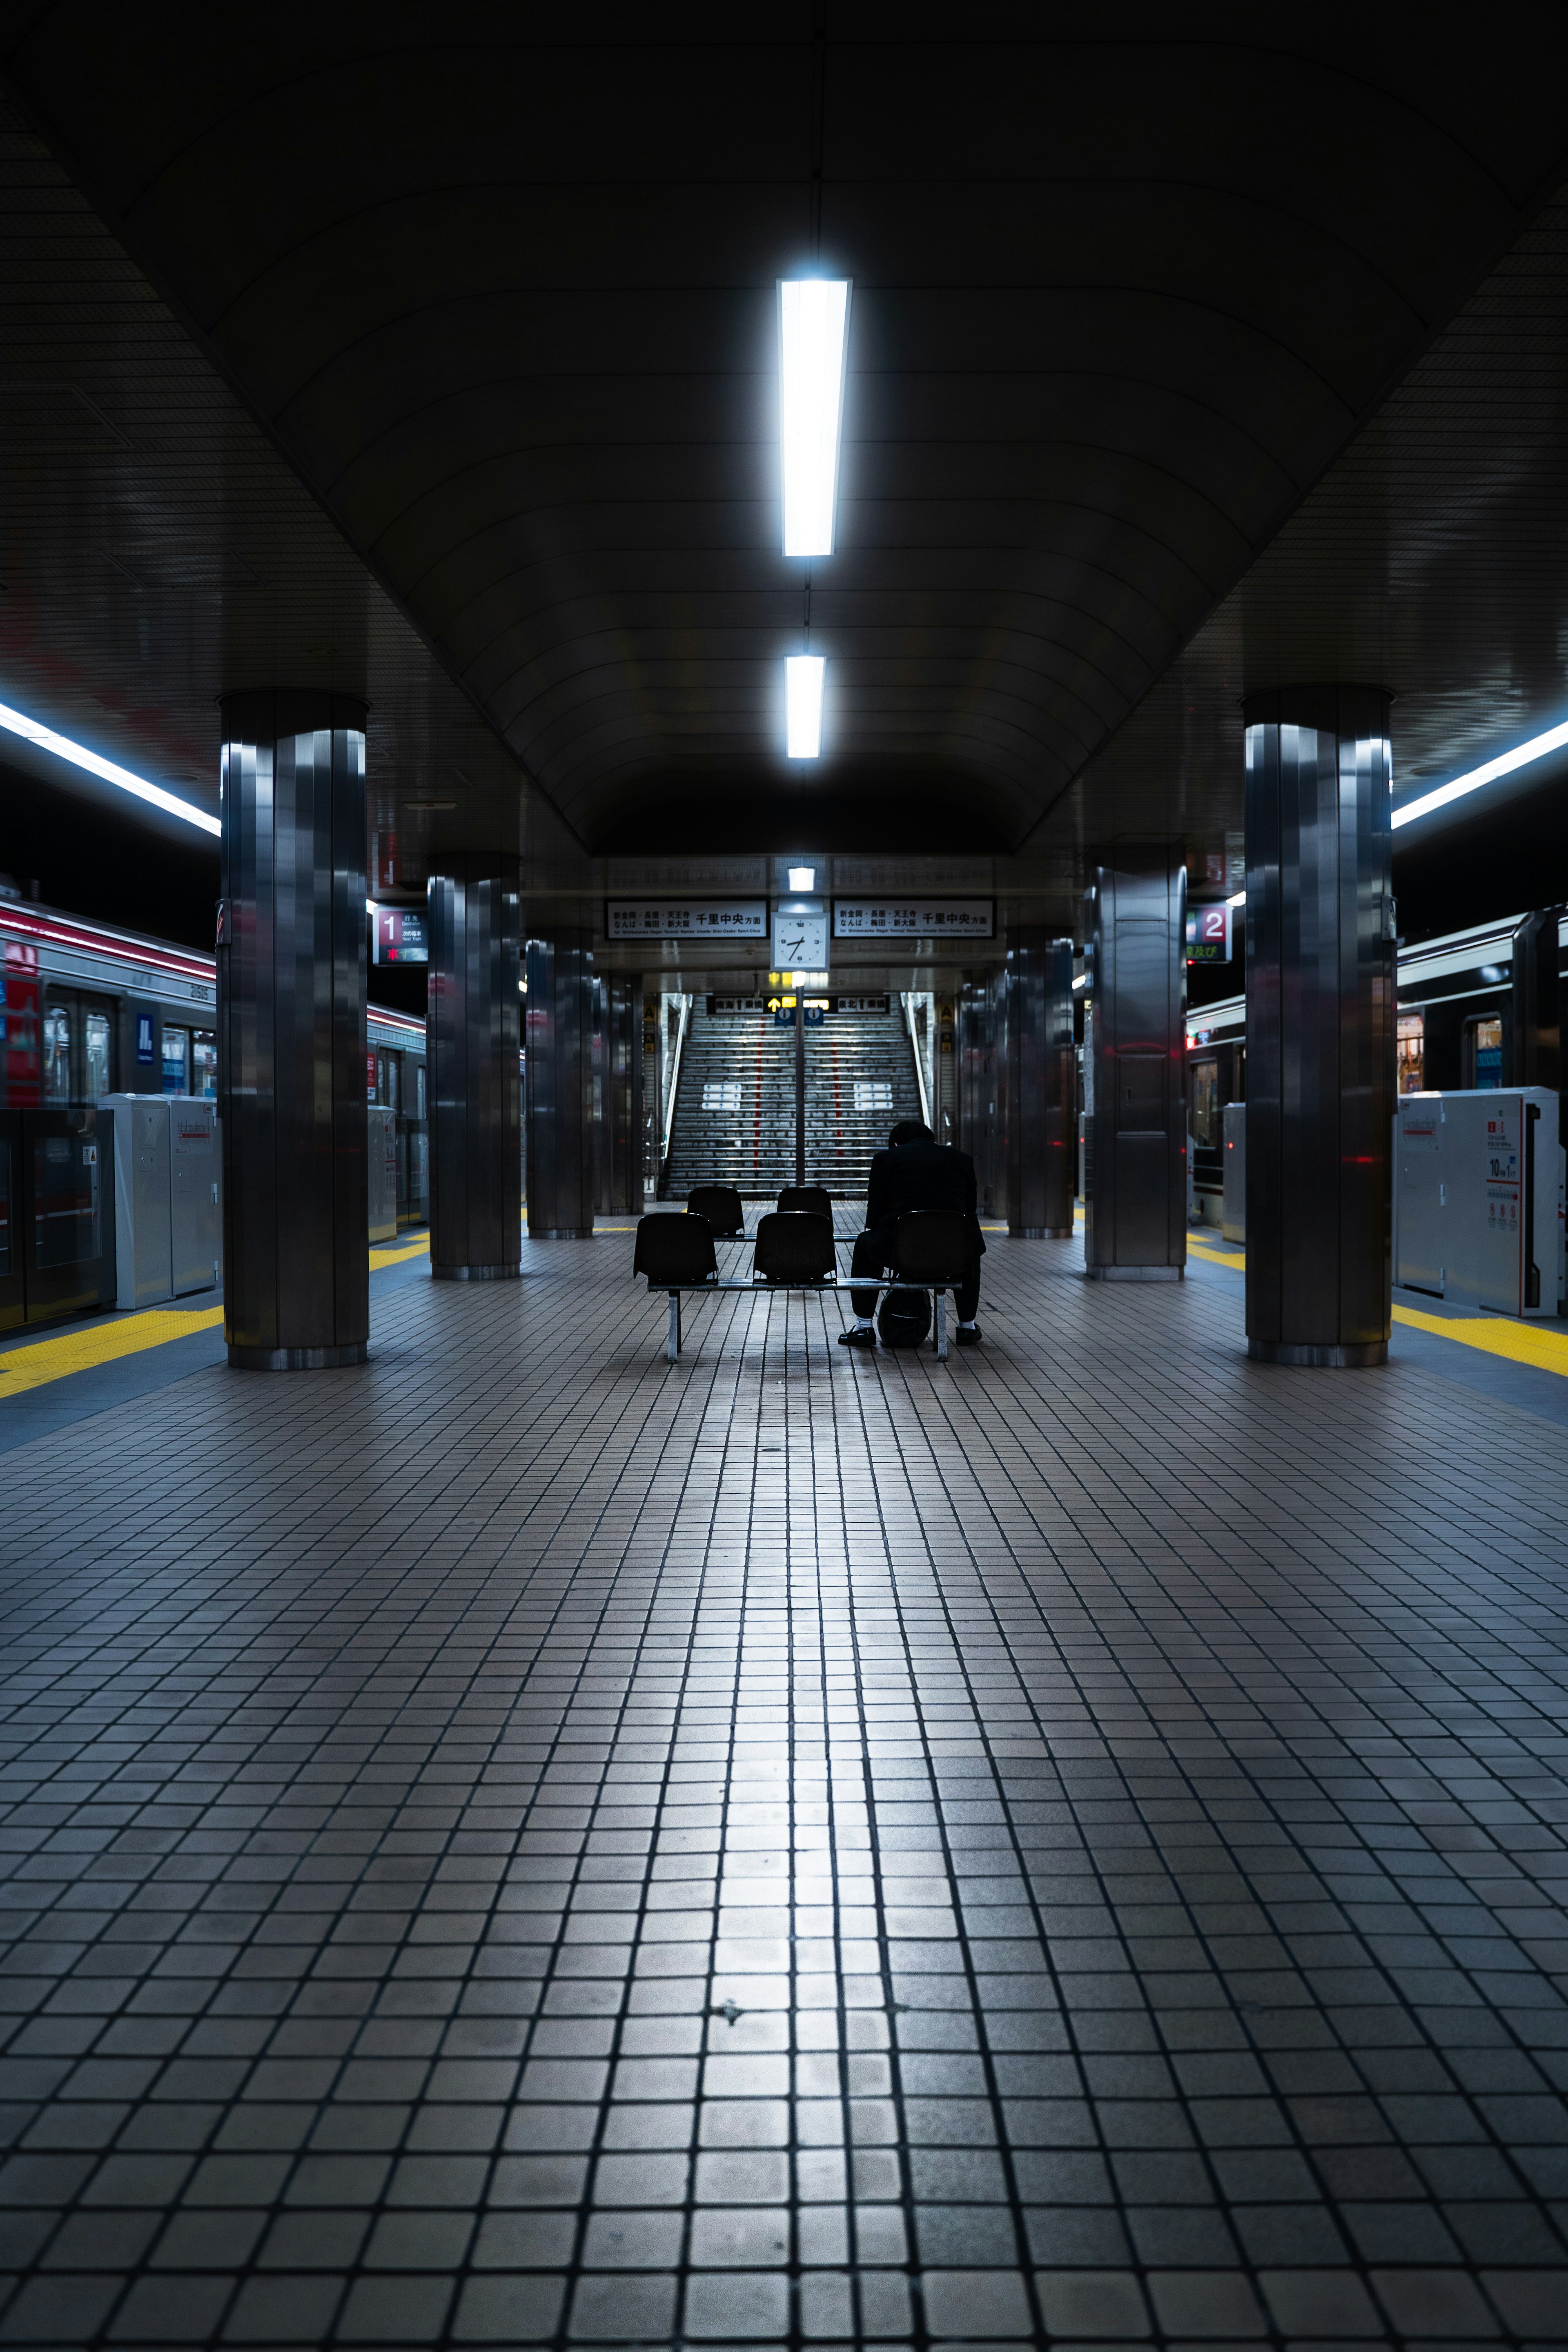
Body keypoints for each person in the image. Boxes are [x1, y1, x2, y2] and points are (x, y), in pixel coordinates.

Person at [839, 1119, 984, 1348]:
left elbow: (875, 1216)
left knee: (864, 1243)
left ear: (896, 1144)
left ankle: (863, 1327)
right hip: (951, 1254)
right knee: (970, 1244)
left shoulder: (885, 1160)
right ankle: (967, 1327)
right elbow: (970, 1210)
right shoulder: (962, 1160)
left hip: (899, 1251)